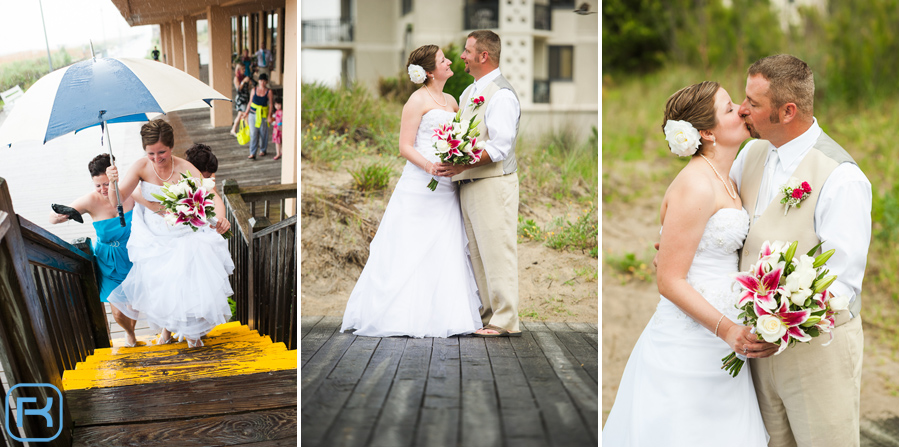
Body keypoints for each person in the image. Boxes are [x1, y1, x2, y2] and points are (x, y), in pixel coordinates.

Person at [603, 81, 771, 445]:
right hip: (693, 343)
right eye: (729, 108)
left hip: (726, 343)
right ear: (707, 132)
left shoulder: (728, 177)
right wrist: (727, 330)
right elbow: (670, 281)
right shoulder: (695, 185)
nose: (742, 109)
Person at [730, 54, 870, 447]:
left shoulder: (841, 178)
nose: (742, 110)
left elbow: (843, 285)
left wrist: (786, 324)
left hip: (817, 355)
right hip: (757, 353)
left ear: (787, 111)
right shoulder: (750, 155)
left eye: (753, 103)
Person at [340, 44, 481, 338]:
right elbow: (405, 146)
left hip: (447, 188)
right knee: (411, 245)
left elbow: (458, 137)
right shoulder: (416, 101)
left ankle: (441, 314)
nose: (450, 61)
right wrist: (430, 167)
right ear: (429, 71)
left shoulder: (453, 101)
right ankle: (400, 314)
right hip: (420, 185)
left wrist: (459, 157)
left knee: (445, 244)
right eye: (444, 59)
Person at [105, 119, 234, 349]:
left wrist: (221, 218)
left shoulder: (185, 168)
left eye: (161, 152)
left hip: (183, 233)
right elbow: (117, 201)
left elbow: (210, 194)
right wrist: (113, 182)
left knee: (189, 285)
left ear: (171, 147)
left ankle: (193, 338)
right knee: (163, 288)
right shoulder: (140, 167)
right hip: (154, 236)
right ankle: (171, 332)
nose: (156, 158)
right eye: (150, 153)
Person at [433, 30, 521, 337]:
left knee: (497, 250)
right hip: (469, 183)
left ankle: (505, 319)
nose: (462, 56)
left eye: (467, 51)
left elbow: (500, 148)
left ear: (484, 56)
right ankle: (487, 316)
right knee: (478, 254)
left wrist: (460, 162)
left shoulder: (502, 94)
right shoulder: (470, 92)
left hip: (494, 184)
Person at [49, 154, 140, 348]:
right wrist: (63, 215)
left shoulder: (130, 193)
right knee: (118, 312)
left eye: (106, 184)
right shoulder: (91, 200)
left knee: (134, 306)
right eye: (98, 185)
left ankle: (132, 330)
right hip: (108, 260)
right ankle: (129, 333)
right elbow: (52, 218)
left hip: (132, 254)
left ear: (114, 175)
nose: (103, 190)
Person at [240, 73, 274, 160]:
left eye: (264, 81)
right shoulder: (254, 90)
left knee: (263, 133)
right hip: (252, 114)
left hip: (263, 115)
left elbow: (271, 104)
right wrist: (246, 113)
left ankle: (263, 149)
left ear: (266, 82)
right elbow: (250, 102)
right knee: (253, 133)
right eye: (261, 80)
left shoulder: (268, 91)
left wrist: (269, 116)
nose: (262, 82)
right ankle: (252, 152)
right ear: (258, 81)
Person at [230, 66, 252, 136]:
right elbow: (238, 89)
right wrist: (243, 81)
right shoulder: (236, 78)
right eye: (243, 69)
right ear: (239, 70)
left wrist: (249, 83)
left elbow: (248, 88)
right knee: (245, 115)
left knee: (240, 115)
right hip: (241, 99)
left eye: (244, 69)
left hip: (246, 98)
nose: (244, 70)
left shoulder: (244, 76)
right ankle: (249, 131)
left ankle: (233, 129)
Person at [269, 97, 283, 161]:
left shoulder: (282, 112)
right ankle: (278, 153)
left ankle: (281, 152)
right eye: (276, 105)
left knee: (281, 141)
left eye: (279, 104)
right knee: (277, 142)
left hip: (281, 128)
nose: (277, 106)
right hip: (276, 129)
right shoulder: (276, 112)